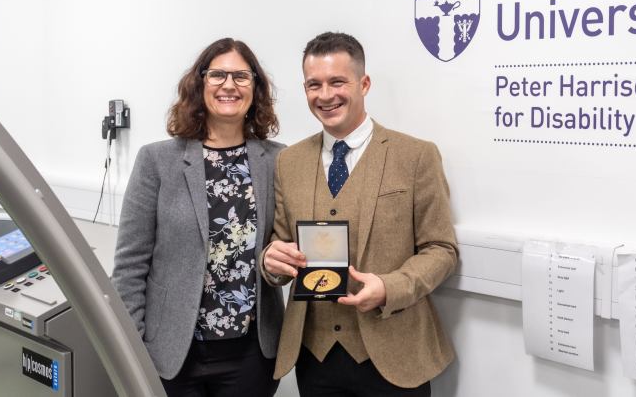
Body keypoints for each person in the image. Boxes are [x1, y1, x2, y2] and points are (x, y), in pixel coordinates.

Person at [261, 32, 458, 397]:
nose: (325, 95)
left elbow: (441, 249)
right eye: (313, 85)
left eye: (338, 81)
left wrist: (389, 288)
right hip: (313, 357)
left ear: (364, 84)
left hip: (396, 355)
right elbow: (281, 242)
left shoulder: (415, 156)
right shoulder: (289, 162)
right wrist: (271, 263)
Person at [112, 38, 284, 397]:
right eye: (217, 74)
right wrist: (130, 347)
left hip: (252, 354)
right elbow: (130, 265)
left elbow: (282, 250)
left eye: (241, 76)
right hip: (173, 353)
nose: (229, 85)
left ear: (256, 87)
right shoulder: (157, 161)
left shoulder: (278, 161)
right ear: (199, 83)